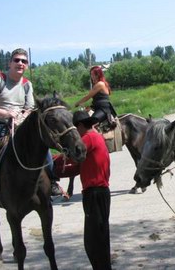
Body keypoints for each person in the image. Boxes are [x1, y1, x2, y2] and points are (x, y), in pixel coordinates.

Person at [0, 48, 62, 210]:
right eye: (17, 60)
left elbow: (29, 107)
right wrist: (6, 113)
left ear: (27, 65)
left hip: (18, 126)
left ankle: (52, 182)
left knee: (43, 146)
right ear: (10, 63)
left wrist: (22, 117)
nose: (20, 63)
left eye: (24, 61)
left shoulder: (26, 85)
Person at [63, 110, 112, 269]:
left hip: (94, 193)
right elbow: (77, 167)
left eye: (75, 128)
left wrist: (52, 162)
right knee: (100, 238)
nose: (75, 133)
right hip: (100, 192)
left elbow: (72, 157)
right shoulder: (96, 136)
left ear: (81, 126)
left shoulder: (88, 138)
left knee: (92, 242)